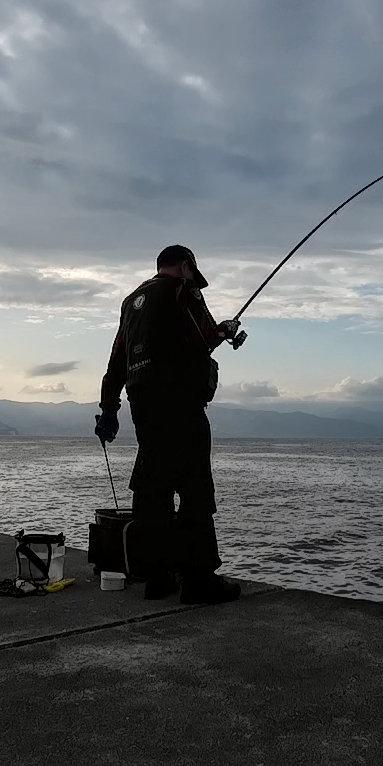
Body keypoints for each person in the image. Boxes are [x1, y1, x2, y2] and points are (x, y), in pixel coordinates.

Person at [96, 244, 244, 604]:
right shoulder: (182, 289)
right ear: (186, 266)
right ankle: (199, 580)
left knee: (153, 487)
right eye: (192, 272)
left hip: (142, 402)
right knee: (195, 487)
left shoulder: (131, 302)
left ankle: (158, 577)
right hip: (180, 400)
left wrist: (109, 410)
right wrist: (224, 331)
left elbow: (117, 359)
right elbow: (202, 337)